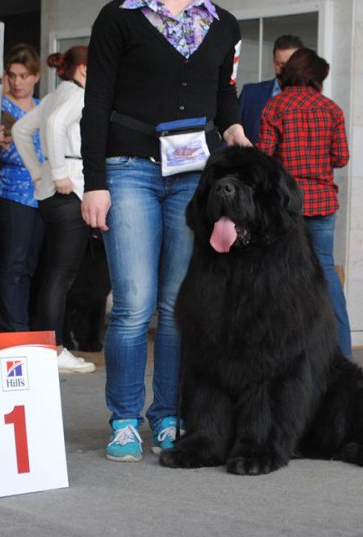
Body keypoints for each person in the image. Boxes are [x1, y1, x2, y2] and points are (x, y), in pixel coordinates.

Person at [81, 0, 251, 462]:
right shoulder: (120, 16)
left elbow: (224, 90)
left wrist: (233, 125)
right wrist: (93, 183)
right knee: (133, 303)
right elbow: (95, 102)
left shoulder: (222, 23)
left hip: (195, 174)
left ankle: (169, 415)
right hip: (128, 167)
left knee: (178, 305)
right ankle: (124, 419)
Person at [256, 47, 353, 358]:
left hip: (287, 205)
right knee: (324, 272)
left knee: (280, 274)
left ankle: (283, 351)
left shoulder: (276, 106)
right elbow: (341, 157)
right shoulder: (332, 109)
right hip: (324, 203)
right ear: (315, 77)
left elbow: (263, 157)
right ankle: (343, 353)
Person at [12, 46, 95, 374]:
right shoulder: (76, 96)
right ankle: (54, 348)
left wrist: (39, 171)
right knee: (62, 275)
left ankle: (48, 346)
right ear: (85, 70)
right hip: (69, 187)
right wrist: (58, 171)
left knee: (54, 275)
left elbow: (21, 130)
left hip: (50, 192)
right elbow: (57, 125)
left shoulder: (53, 95)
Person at [0, 44, 44, 332]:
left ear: (36, 76)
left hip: (41, 195)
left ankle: (28, 329)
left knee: (32, 265)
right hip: (11, 192)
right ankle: (13, 331)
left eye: (23, 75)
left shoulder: (41, 106)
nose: (17, 82)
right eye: (12, 75)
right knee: (14, 264)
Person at [239, 34, 302, 144]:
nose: (283, 70)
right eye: (279, 64)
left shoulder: (314, 102)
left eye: (289, 65)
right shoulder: (250, 94)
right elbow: (232, 135)